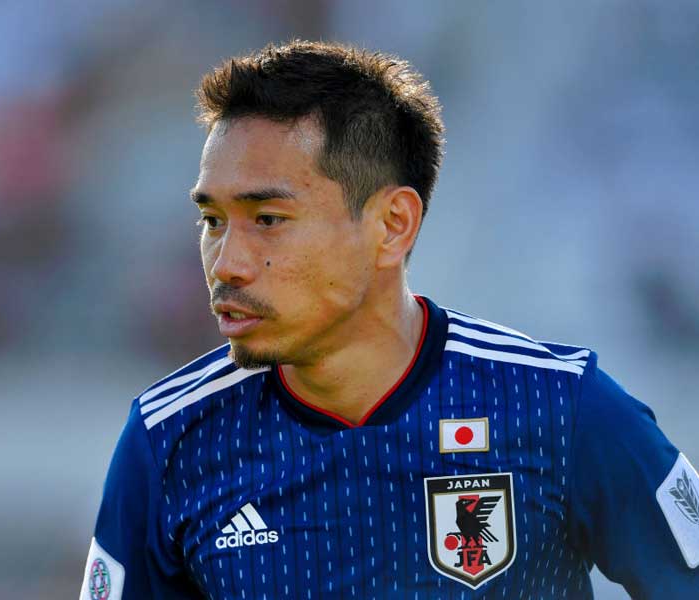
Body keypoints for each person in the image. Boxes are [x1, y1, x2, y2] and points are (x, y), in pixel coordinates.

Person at [79, 40, 699, 599]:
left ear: (392, 225)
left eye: (268, 219)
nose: (227, 263)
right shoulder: (168, 441)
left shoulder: (560, 405)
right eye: (213, 221)